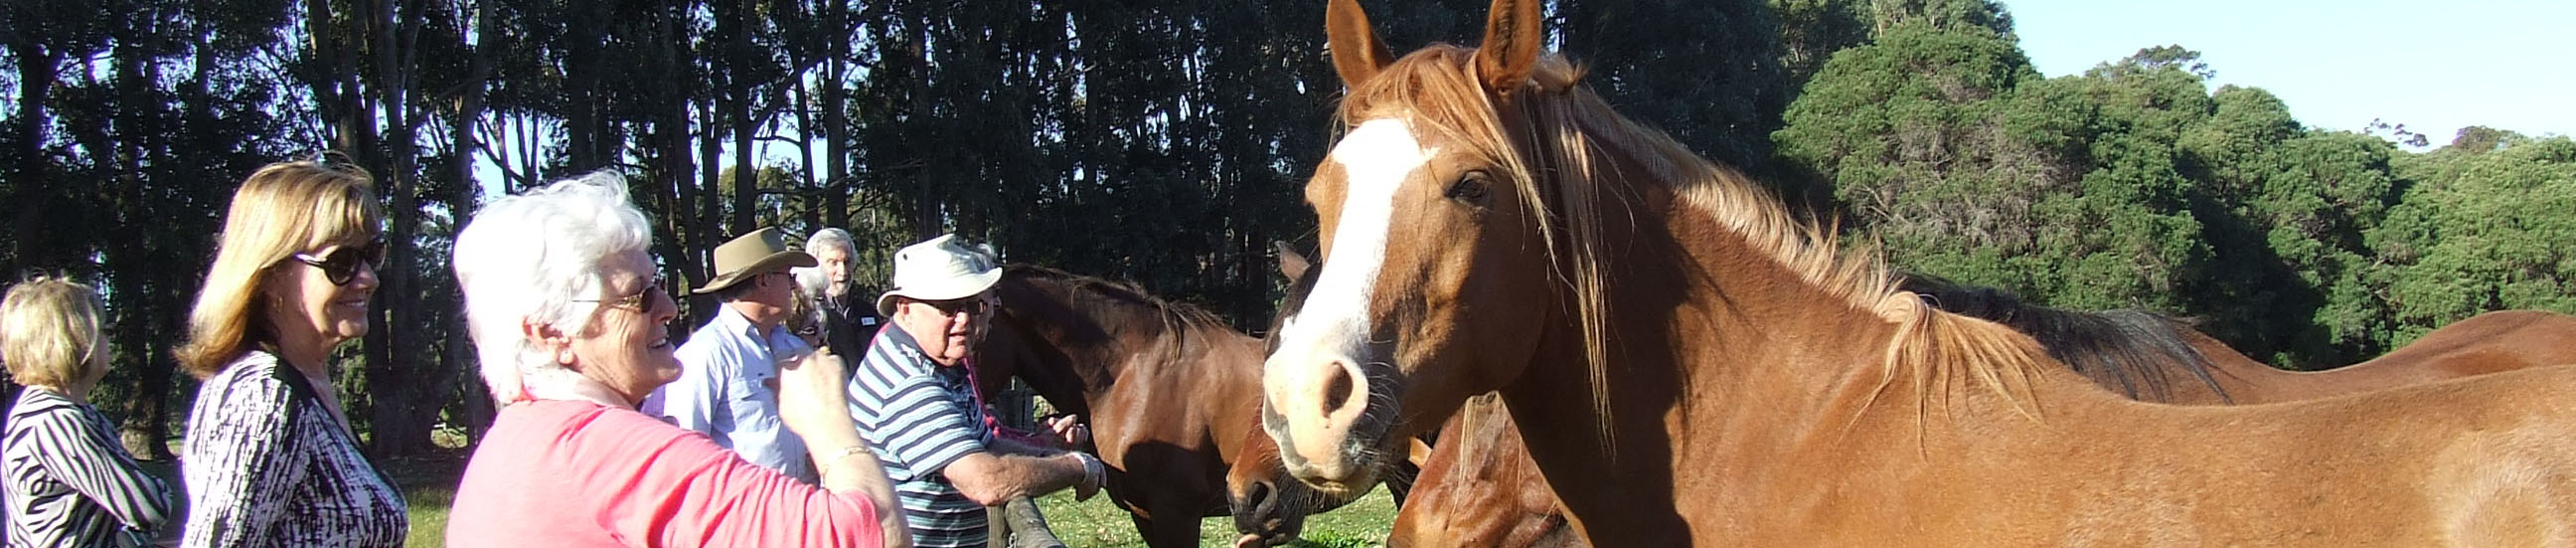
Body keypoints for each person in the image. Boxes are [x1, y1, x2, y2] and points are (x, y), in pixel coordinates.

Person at [443, 172, 909, 548]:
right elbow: (870, 536)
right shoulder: (609, 449)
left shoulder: (524, 433)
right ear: (551, 333)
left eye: (659, 284)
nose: (667, 307)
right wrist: (831, 426)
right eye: (638, 297)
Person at [172, 157, 407, 548]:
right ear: (271, 275)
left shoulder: (304, 384)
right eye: (342, 262)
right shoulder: (263, 399)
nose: (368, 278)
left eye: (372, 254)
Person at [848, 234, 1105, 548]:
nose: (965, 320)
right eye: (947, 307)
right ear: (905, 309)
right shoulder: (911, 385)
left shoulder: (940, 361)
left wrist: (1047, 451)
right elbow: (985, 480)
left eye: (975, 305)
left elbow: (984, 445)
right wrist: (1077, 468)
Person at [1, 278, 173, 547]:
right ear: (75, 341)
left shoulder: (38, 413)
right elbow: (148, 505)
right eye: (103, 330)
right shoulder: (58, 422)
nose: (110, 338)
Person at [648, 227, 820, 481]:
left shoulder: (794, 348)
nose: (794, 286)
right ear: (764, 280)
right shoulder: (704, 355)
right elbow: (684, 456)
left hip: (799, 510)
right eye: (788, 276)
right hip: (741, 516)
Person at [801, 228, 884, 356]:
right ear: (815, 267)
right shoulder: (809, 316)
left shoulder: (866, 311)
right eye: (833, 263)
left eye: (847, 262)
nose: (843, 271)